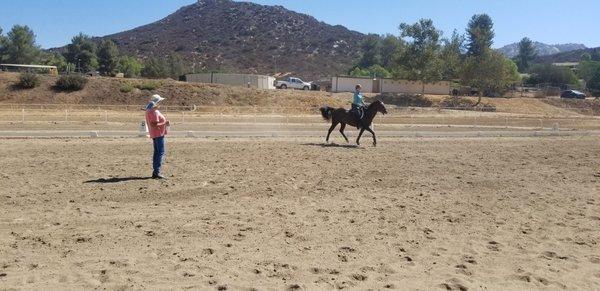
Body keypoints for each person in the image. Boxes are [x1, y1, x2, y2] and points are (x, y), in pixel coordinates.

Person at [145, 94, 170, 179]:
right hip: (158, 133)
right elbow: (154, 124)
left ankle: (156, 171)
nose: (160, 103)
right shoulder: (154, 112)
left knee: (157, 152)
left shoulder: (150, 110)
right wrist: (165, 123)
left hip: (155, 134)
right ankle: (157, 172)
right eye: (159, 102)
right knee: (160, 153)